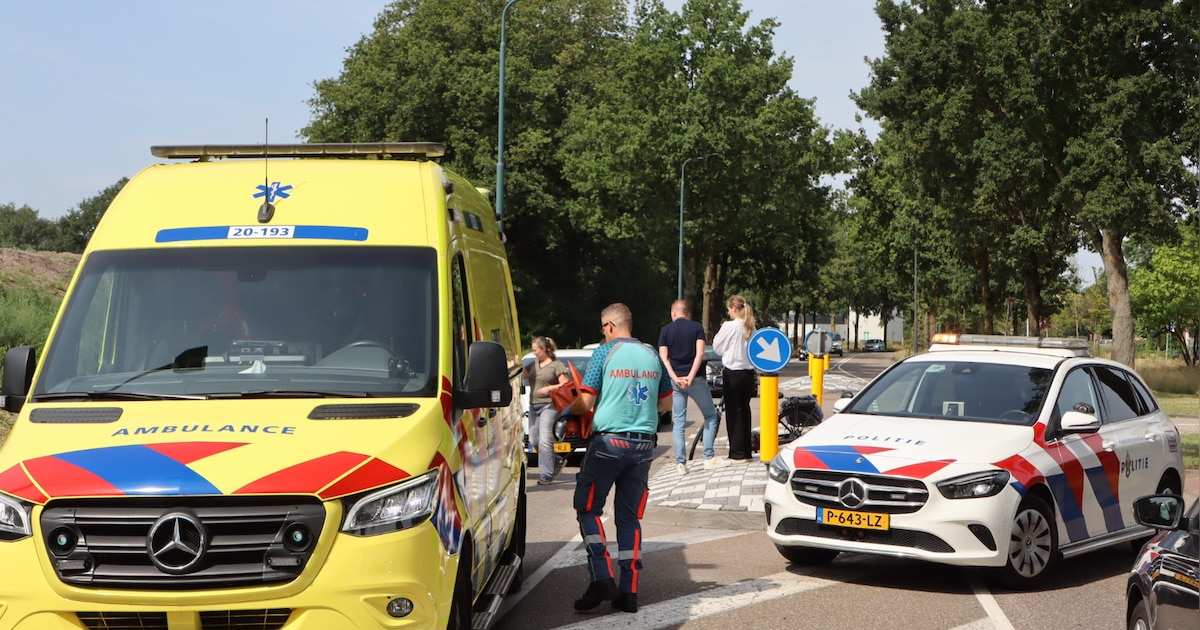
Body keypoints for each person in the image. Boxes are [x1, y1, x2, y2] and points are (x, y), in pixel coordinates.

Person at [567, 303, 672, 614]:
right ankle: (630, 592)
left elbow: (585, 402)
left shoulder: (605, 352)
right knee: (629, 518)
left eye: (602, 329)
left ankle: (601, 577)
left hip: (607, 444)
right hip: (643, 448)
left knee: (587, 508)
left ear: (610, 326)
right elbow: (665, 404)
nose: (603, 334)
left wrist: (565, 409)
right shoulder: (652, 354)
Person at [658, 299, 730, 475]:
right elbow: (700, 354)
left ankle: (680, 464)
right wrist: (690, 376)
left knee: (679, 422)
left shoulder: (665, 330)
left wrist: (675, 377)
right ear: (687, 313)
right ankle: (708, 458)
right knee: (710, 416)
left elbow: (664, 358)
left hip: (676, 382)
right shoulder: (696, 328)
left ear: (673, 313)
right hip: (695, 379)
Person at [712, 294, 757, 462]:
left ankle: (737, 453)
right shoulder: (751, 327)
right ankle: (747, 450)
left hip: (733, 372)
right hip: (748, 373)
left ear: (734, 309)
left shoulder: (729, 326)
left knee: (733, 412)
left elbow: (717, 347)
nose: (728, 312)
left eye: (729, 309)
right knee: (745, 410)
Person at [525, 336, 570, 485]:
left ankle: (546, 474)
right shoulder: (533, 364)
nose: (534, 353)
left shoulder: (556, 365)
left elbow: (565, 384)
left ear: (544, 349)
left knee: (545, 439)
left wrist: (550, 388)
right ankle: (556, 460)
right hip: (533, 405)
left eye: (535, 350)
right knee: (533, 439)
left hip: (549, 405)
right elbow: (521, 373)